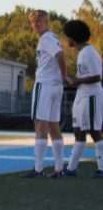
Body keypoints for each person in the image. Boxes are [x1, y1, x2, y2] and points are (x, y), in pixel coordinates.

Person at [25, 10, 67, 177]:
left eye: (39, 21)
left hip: (45, 84)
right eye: (33, 22)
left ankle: (38, 168)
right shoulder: (53, 38)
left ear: (46, 22)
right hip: (55, 86)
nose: (35, 24)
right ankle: (59, 168)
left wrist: (64, 75)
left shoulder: (46, 39)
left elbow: (60, 55)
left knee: (40, 125)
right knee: (53, 126)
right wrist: (62, 77)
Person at [62, 19, 103, 177]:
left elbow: (97, 76)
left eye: (68, 37)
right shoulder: (82, 53)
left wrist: (76, 81)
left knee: (94, 131)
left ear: (74, 37)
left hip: (91, 96)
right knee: (78, 131)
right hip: (82, 96)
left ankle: (101, 168)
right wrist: (71, 80)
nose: (67, 40)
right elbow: (86, 76)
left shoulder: (89, 52)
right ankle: (71, 168)